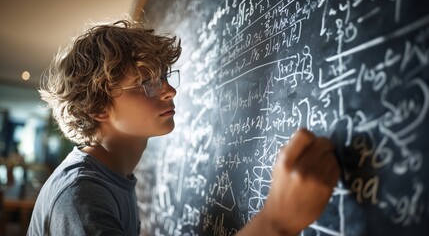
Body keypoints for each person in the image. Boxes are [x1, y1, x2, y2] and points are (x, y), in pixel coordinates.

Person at [27, 19, 340, 236]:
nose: (168, 91)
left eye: (163, 77)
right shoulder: (81, 195)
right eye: (145, 83)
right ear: (97, 106)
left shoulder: (110, 177)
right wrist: (276, 222)